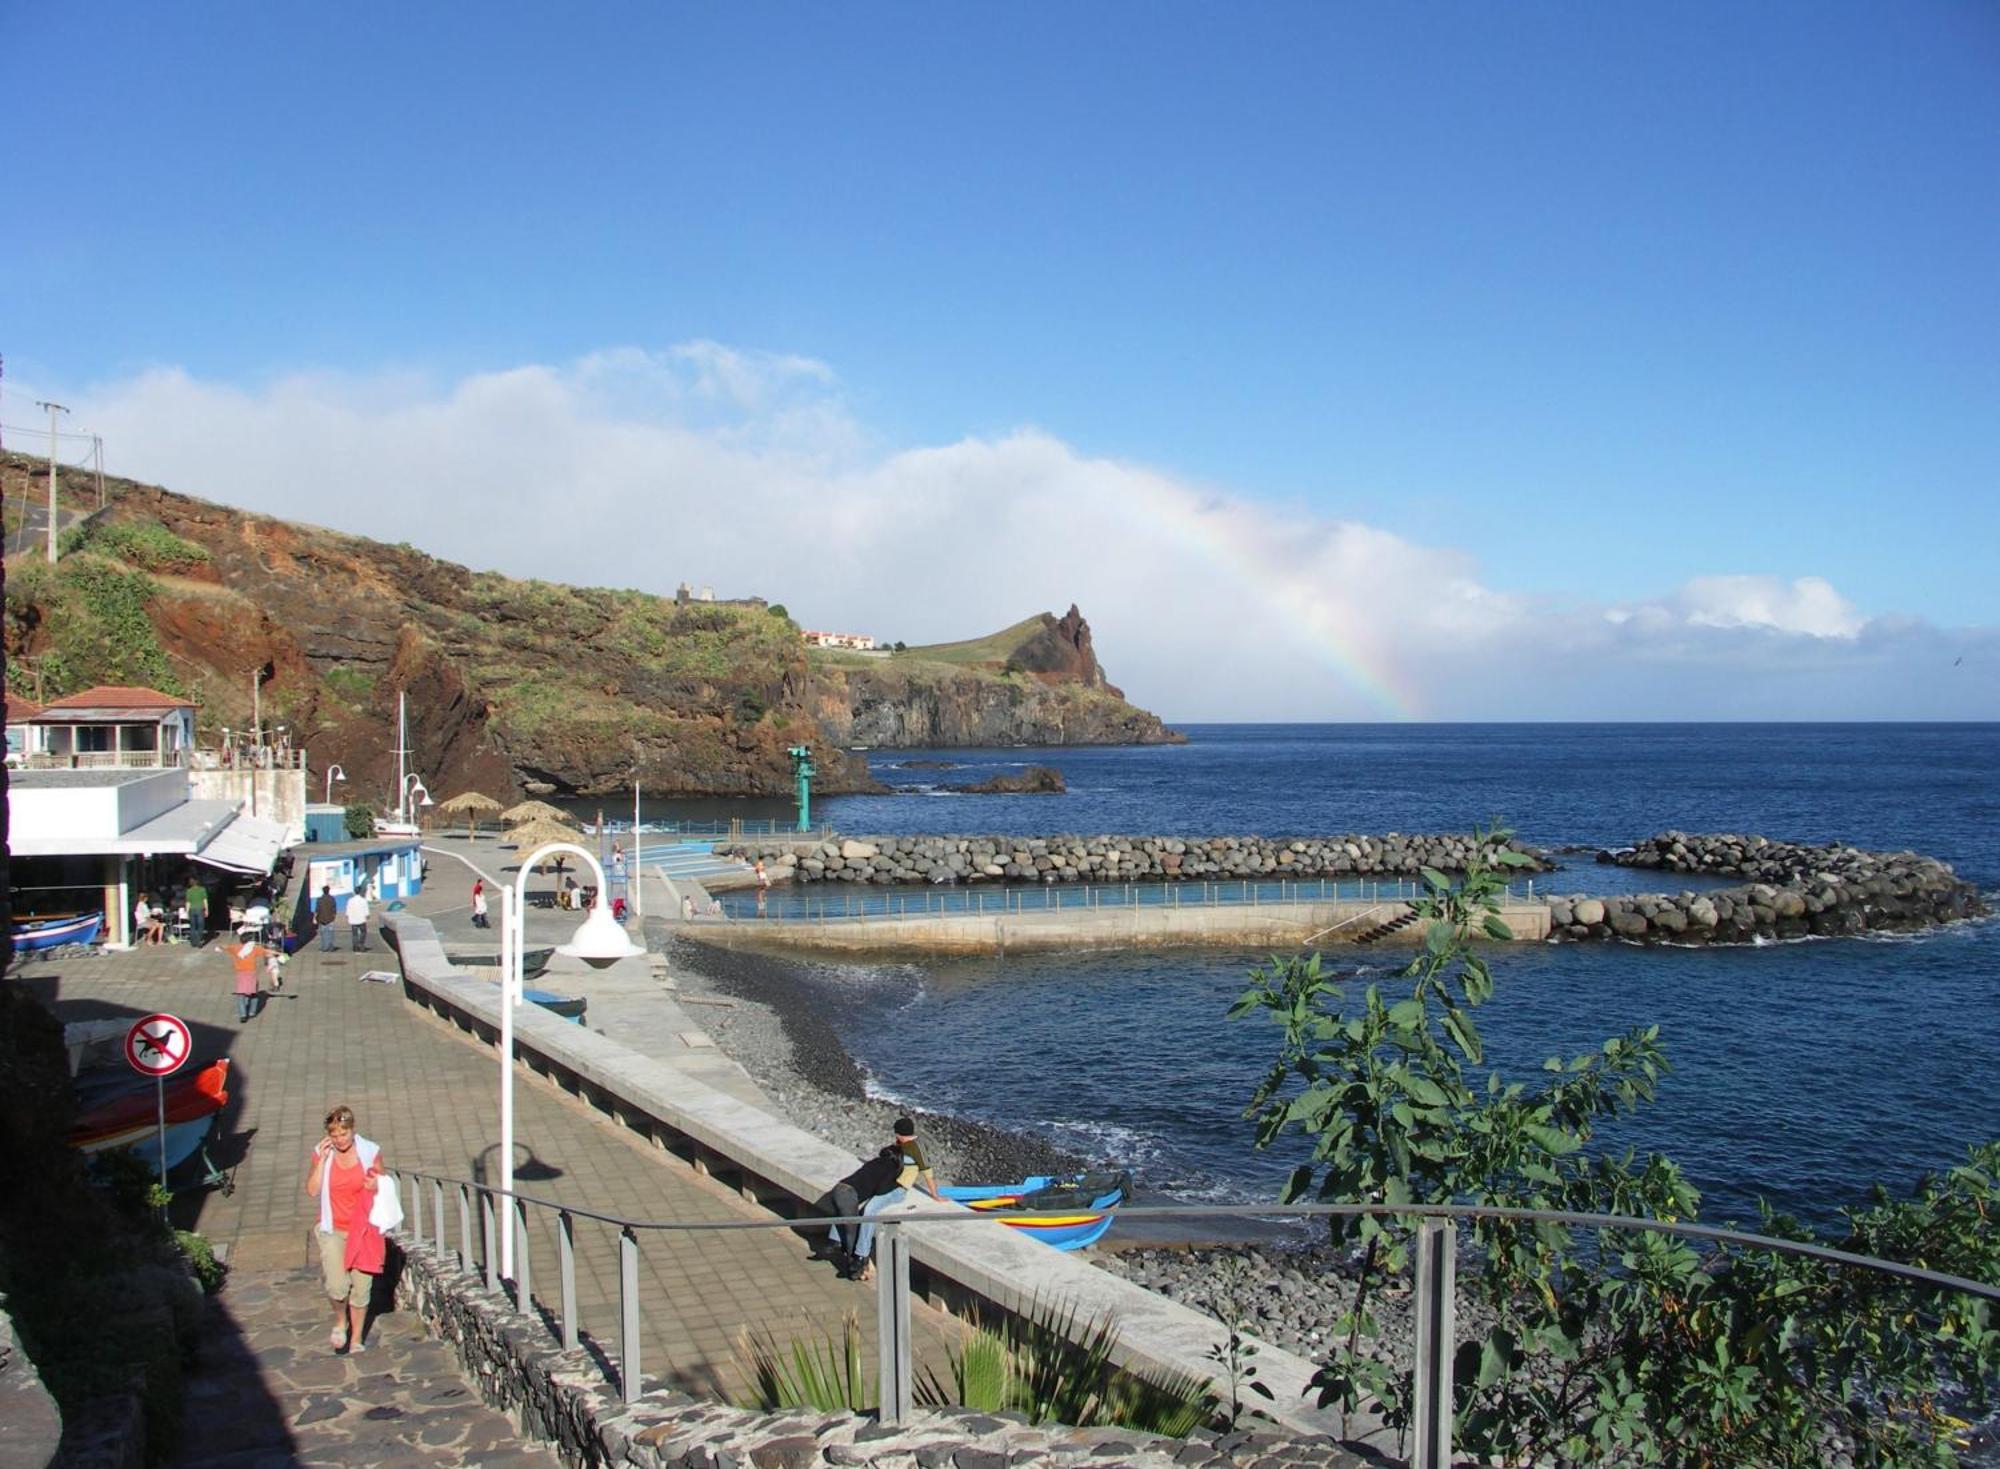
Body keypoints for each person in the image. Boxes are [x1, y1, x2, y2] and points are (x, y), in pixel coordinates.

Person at [305, 1104, 387, 1354]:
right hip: (333, 1228)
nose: (340, 1139)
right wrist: (322, 1161)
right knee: (337, 1286)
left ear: (352, 1130)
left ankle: (356, 1340)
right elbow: (312, 1190)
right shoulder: (323, 1154)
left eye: (344, 1133)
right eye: (334, 1135)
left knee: (361, 1289)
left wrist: (376, 1184)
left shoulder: (369, 1151)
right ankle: (341, 1321)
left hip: (363, 1230)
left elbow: (382, 1186)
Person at [846, 1118, 944, 1282]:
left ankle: (861, 1255)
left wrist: (935, 1195)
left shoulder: (917, 1148)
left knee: (869, 1211)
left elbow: (927, 1172)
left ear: (901, 1133)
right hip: (886, 1181)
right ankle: (842, 1244)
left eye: (897, 1134)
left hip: (896, 1189)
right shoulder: (902, 1145)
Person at [230, 931, 270, 1021]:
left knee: (241, 994)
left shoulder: (237, 948)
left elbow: (226, 948)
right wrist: (279, 954)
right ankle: (252, 1012)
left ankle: (243, 1015)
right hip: (251, 974)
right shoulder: (254, 949)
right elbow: (266, 952)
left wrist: (219, 948)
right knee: (253, 994)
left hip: (240, 974)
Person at [185, 877, 209, 947]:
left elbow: (188, 902)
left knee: (193, 926)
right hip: (200, 909)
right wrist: (207, 910)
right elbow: (205, 900)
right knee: (200, 926)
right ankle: (199, 940)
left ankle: (193, 942)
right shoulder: (202, 889)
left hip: (192, 910)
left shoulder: (189, 891)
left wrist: (187, 912)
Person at [346, 886, 371, 951]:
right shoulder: (363, 900)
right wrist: (367, 916)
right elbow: (366, 912)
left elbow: (348, 911)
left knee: (354, 934)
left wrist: (348, 916)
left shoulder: (350, 900)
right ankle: (361, 944)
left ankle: (355, 946)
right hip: (361, 920)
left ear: (354, 892)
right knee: (363, 932)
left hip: (353, 920)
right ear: (360, 892)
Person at [314, 885, 338, 952]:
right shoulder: (332, 899)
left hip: (321, 919)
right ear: (328, 891)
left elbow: (317, 910)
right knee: (330, 933)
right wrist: (334, 917)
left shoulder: (319, 899)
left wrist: (314, 918)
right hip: (330, 919)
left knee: (323, 934)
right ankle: (330, 947)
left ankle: (324, 947)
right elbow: (334, 909)